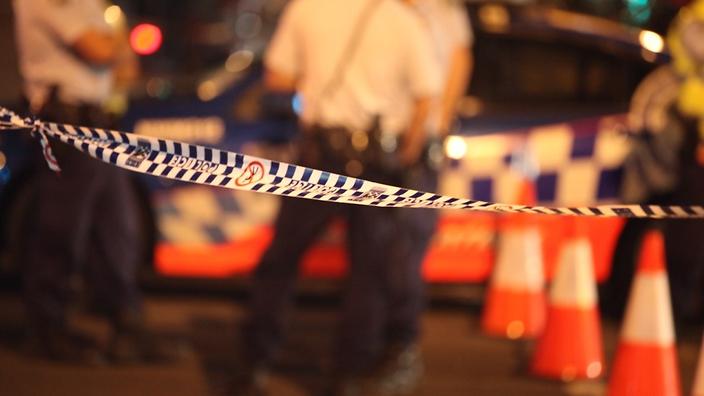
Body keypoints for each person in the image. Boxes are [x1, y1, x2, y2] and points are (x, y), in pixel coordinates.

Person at [237, 0, 443, 394]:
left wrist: (318, 79)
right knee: (368, 273)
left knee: (281, 259)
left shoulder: (307, 8)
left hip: (318, 155)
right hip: (377, 162)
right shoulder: (404, 19)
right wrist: (406, 157)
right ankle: (348, 376)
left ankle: (254, 362)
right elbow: (426, 99)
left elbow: (278, 75)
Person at [13, 0, 162, 363]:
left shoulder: (92, 5)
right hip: (66, 125)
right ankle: (46, 330)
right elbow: (98, 50)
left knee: (119, 232)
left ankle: (123, 325)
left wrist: (114, 47)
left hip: (98, 127)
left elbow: (126, 70)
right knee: (61, 231)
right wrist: (116, 44)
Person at [373, 0, 473, 393]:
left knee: (404, 255)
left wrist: (437, 126)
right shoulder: (384, 10)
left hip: (413, 150)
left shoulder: (443, 12)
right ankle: (376, 348)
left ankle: (401, 351)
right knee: (377, 256)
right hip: (382, 147)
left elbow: (459, 61)